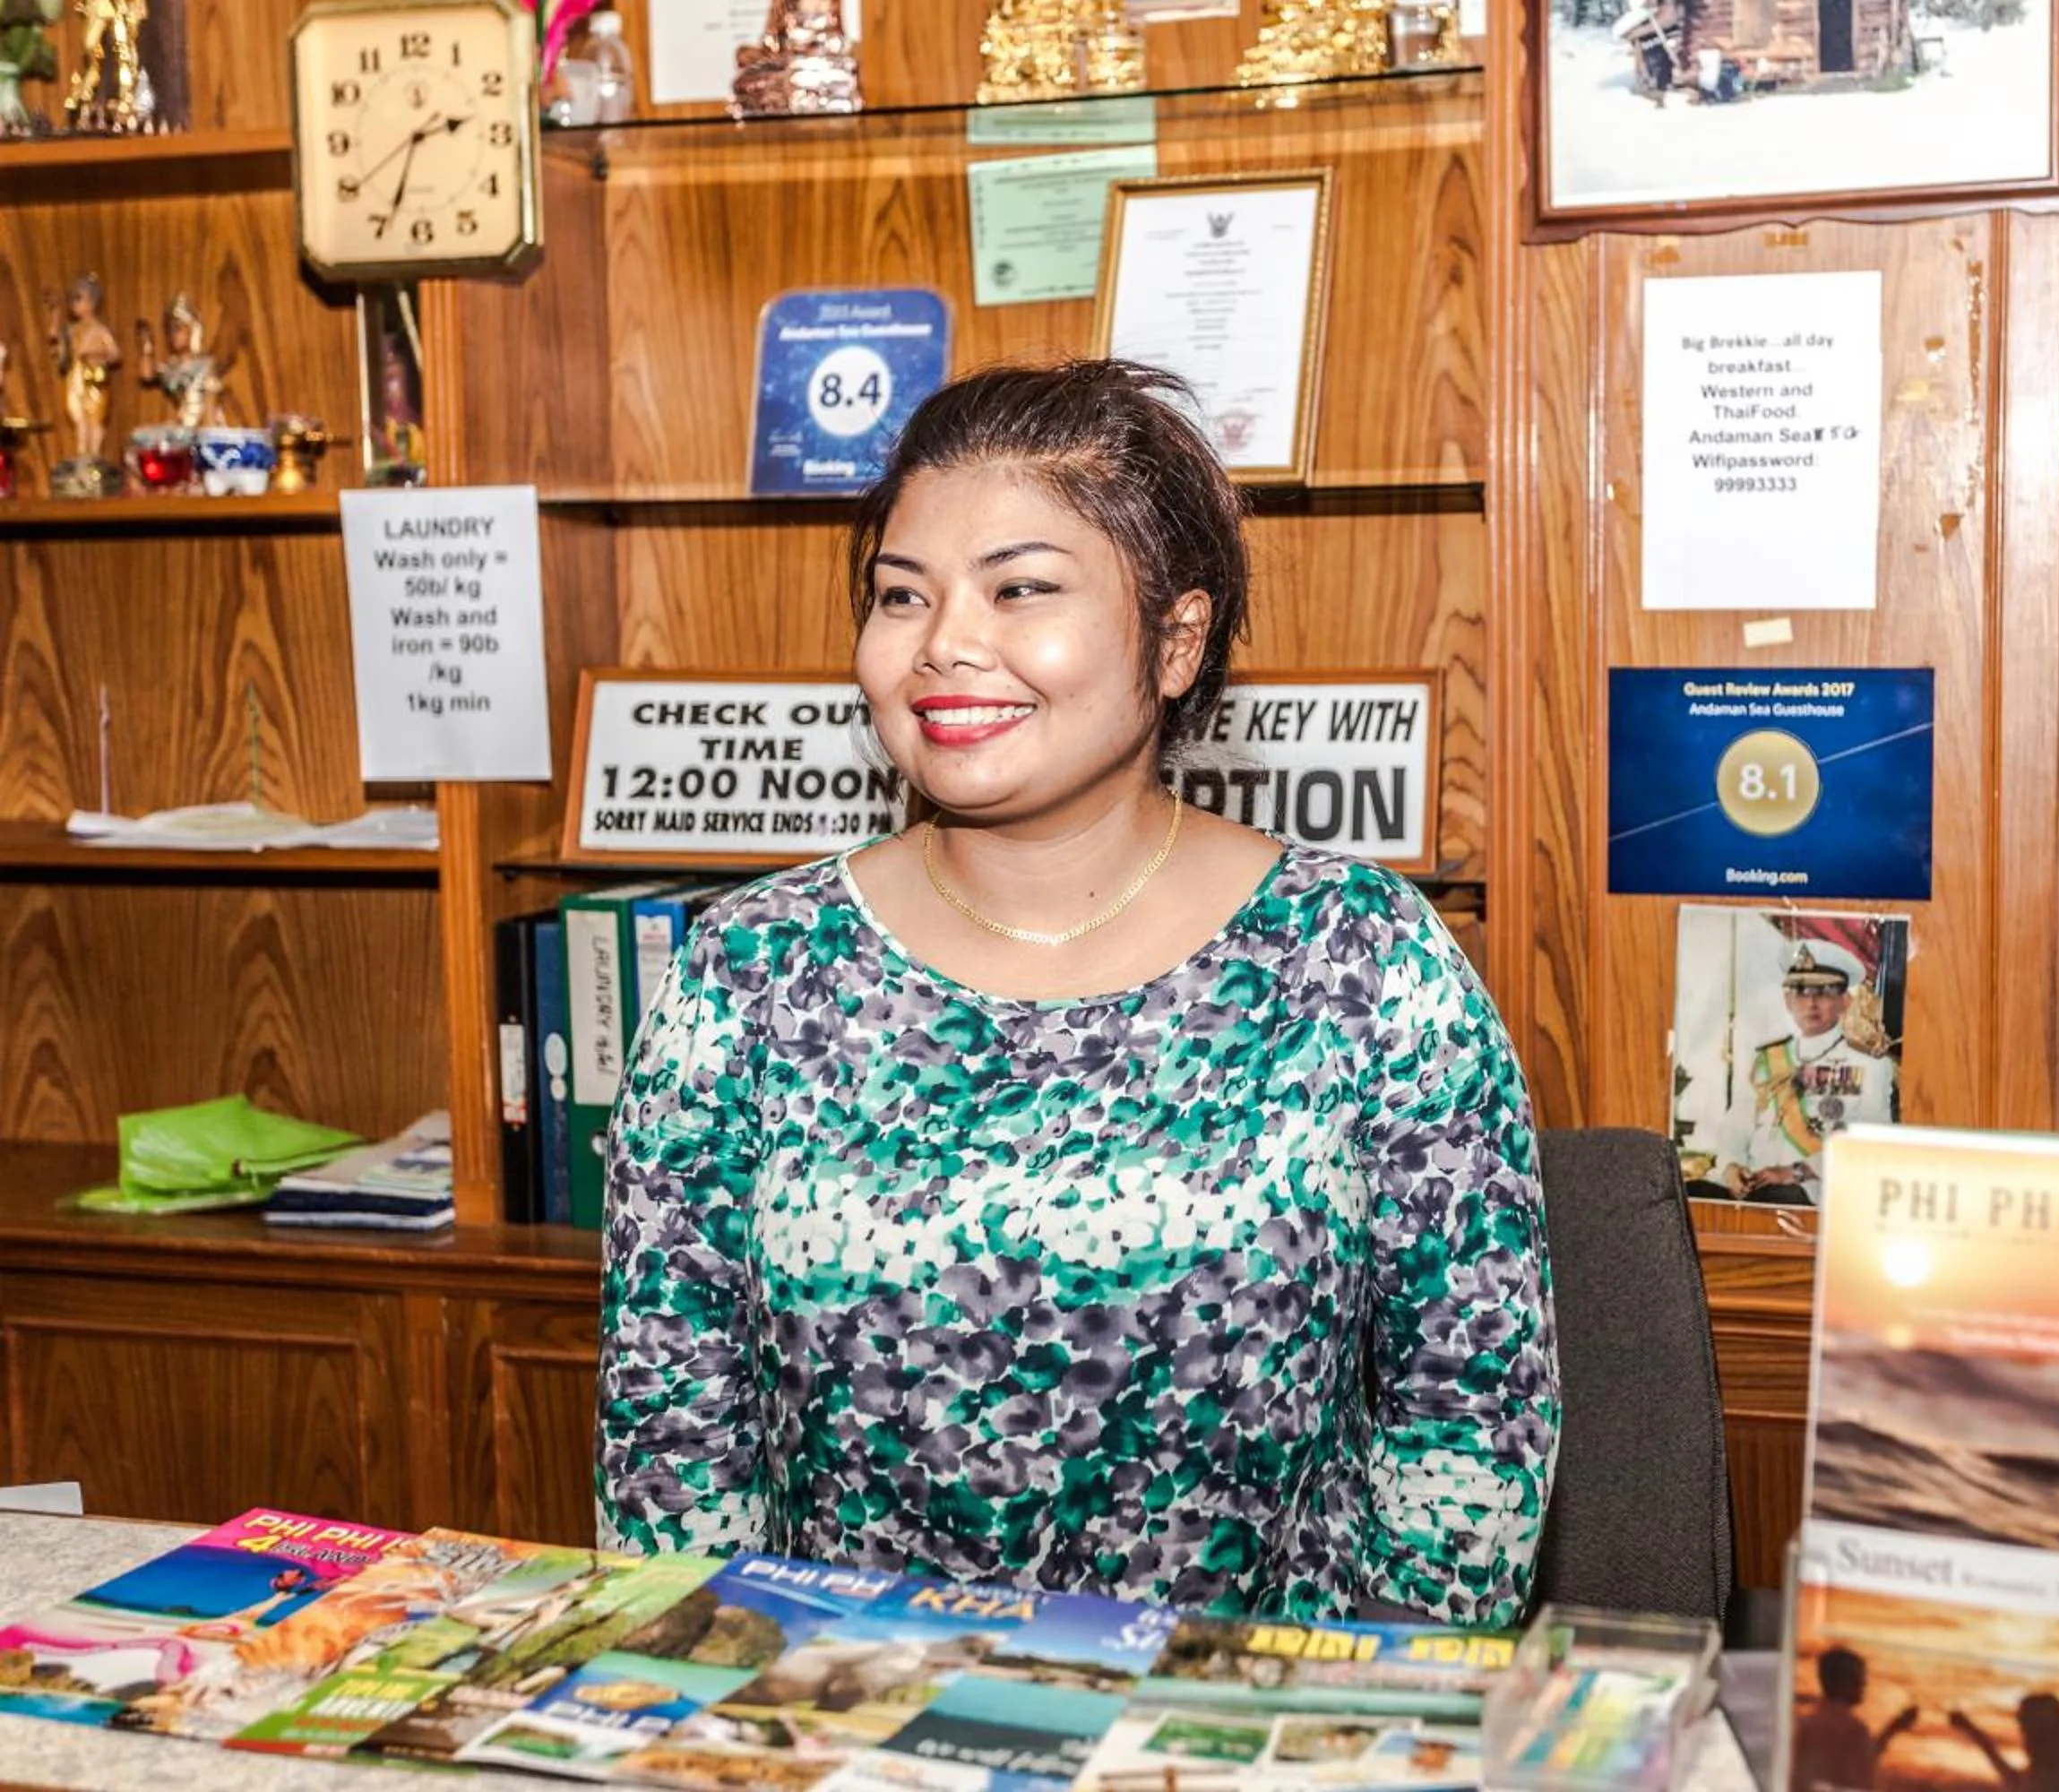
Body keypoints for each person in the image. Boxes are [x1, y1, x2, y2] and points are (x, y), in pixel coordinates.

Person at [595, 359, 1558, 1625]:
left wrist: (1344, 1729)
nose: (945, 642)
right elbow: (671, 1434)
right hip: (846, 1733)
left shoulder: (1362, 960)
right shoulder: (749, 974)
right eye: (902, 596)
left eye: (1022, 588)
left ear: (1176, 640)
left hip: (1245, 1748)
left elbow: (1470, 1422)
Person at [1732, 932, 1898, 1203]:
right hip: (1755, 1188)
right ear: (1788, 1000)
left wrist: (1797, 1171)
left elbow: (1870, 1140)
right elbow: (1736, 1125)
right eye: (1801, 992)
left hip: (1817, 1196)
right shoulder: (1766, 1060)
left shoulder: (1870, 1065)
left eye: (1823, 992)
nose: (1810, 1004)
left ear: (1845, 1001)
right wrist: (1731, 1168)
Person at [1792, 1645, 1914, 1791]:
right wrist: (1893, 1729)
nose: (1864, 1684)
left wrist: (1893, 1729)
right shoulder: (1854, 1730)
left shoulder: (1803, 1726)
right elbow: (1863, 1769)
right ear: (1841, 1683)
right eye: (1858, 1679)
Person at [1950, 1696, 2059, 1792]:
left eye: (2024, 1723)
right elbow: (2005, 1770)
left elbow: (2010, 1777)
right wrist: (1970, 1729)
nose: (2021, 1730)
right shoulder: (2054, 1772)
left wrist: (1970, 1729)